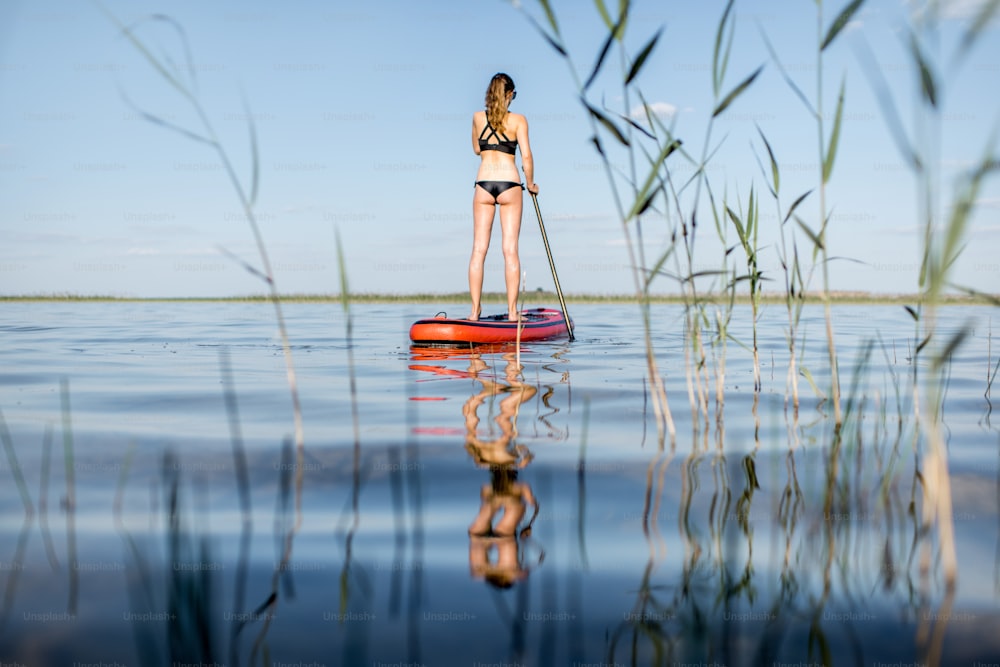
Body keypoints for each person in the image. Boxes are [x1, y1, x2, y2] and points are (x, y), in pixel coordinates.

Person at [469, 72, 539, 322]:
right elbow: (527, 157)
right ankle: (512, 313)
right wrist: (530, 183)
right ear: (509, 95)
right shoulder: (519, 120)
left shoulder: (477, 118)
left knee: (479, 250)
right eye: (514, 95)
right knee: (510, 250)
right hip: (510, 184)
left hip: (484, 184)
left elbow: (477, 149)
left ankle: (475, 312)